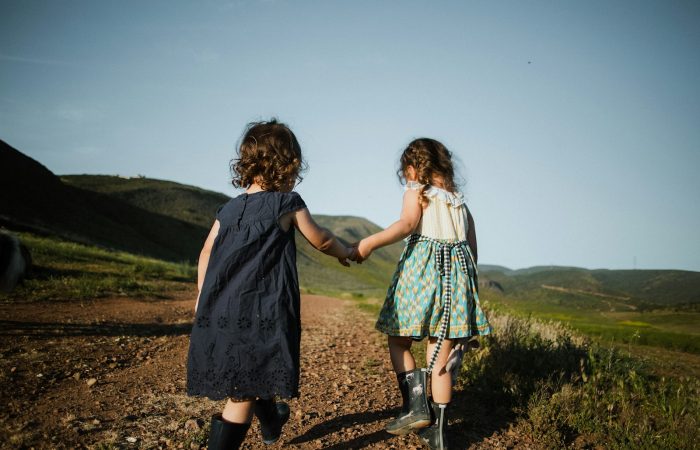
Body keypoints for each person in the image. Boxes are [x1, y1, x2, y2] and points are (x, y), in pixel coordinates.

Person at [186, 119, 355, 449]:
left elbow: (205, 251)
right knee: (241, 392)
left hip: (221, 309)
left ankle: (272, 420)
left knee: (248, 374)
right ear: (287, 164)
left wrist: (202, 296)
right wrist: (345, 250)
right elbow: (320, 240)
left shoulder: (228, 208)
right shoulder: (287, 203)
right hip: (261, 310)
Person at [355, 138, 491, 449]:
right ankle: (440, 432)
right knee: (439, 355)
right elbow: (473, 252)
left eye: (406, 172)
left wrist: (367, 244)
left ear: (415, 168)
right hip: (455, 282)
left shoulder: (418, 192)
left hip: (421, 276)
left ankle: (415, 405)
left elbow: (406, 224)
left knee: (399, 339)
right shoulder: (461, 205)